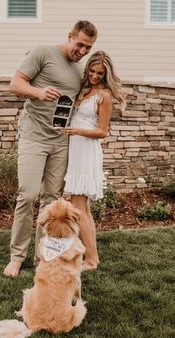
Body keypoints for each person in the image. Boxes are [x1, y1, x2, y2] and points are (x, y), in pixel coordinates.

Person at [3, 20, 98, 277]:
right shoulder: (42, 53)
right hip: (34, 137)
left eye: (88, 47)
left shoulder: (80, 69)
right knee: (28, 195)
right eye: (79, 44)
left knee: (51, 201)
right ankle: (17, 256)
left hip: (60, 142)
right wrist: (37, 92)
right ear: (69, 36)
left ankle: (43, 256)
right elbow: (15, 84)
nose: (82, 50)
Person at [62, 50, 125, 271]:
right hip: (76, 148)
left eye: (100, 73)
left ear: (106, 74)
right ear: (87, 68)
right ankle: (91, 256)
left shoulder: (103, 96)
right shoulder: (84, 90)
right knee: (82, 207)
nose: (96, 76)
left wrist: (77, 130)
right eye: (93, 70)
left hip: (87, 150)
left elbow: (102, 132)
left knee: (78, 206)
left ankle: (91, 259)